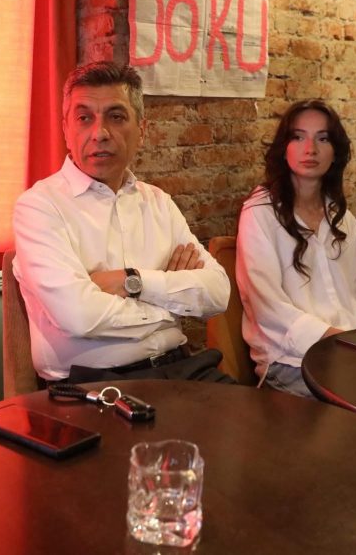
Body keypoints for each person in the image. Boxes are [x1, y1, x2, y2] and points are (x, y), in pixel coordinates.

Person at [12, 61, 232, 384]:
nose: (100, 133)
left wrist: (134, 282)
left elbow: (218, 293)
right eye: (84, 118)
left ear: (141, 130)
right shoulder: (40, 206)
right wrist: (171, 306)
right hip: (94, 385)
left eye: (116, 117)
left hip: (183, 369)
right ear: (65, 129)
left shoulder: (158, 202)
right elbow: (79, 315)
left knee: (262, 415)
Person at [237, 101, 356, 397]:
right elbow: (268, 308)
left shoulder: (341, 217)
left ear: (336, 152)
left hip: (354, 349)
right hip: (293, 360)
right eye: (298, 137)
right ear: (284, 148)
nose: (311, 149)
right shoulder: (259, 213)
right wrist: (342, 339)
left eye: (323, 138)